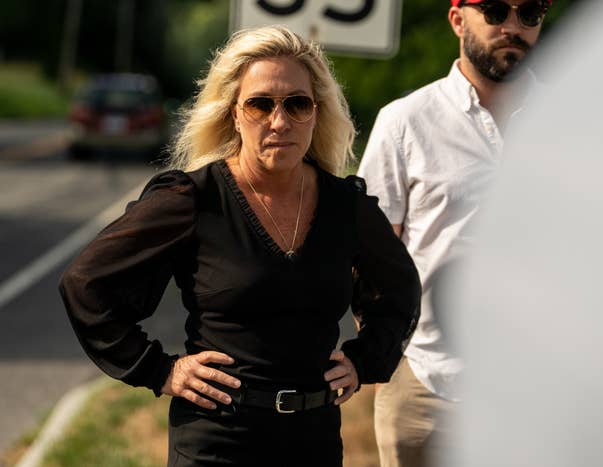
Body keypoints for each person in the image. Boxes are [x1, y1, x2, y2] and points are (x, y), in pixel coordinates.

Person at [59, 25, 421, 467]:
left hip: (314, 442)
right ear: (233, 112)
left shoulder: (347, 205)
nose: (279, 121)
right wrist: (160, 370)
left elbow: (401, 290)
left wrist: (366, 361)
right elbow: (85, 282)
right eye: (260, 104)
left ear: (316, 112)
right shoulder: (192, 199)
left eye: (297, 104)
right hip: (215, 443)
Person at [357, 1, 552, 465]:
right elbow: (368, 257)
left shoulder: (574, 122)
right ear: (457, 19)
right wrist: (385, 354)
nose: (512, 26)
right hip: (427, 384)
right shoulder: (405, 121)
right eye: (496, 10)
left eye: (530, 13)